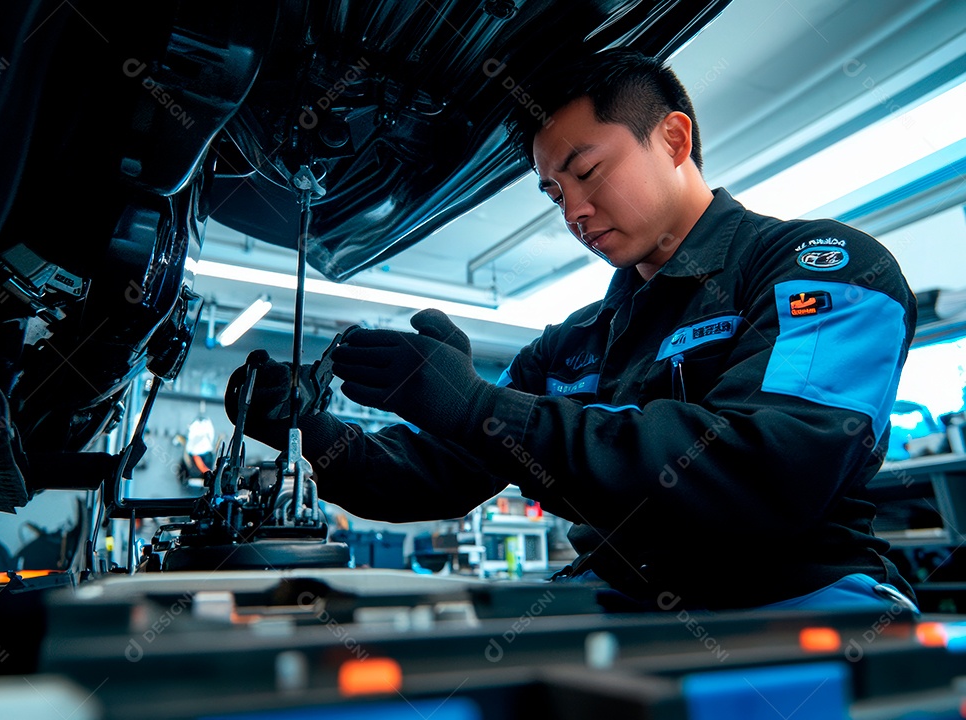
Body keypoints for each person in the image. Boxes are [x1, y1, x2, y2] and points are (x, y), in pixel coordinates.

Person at [226, 48, 919, 614]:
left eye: (587, 172)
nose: (575, 211)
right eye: (556, 194)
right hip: (628, 601)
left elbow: (763, 477)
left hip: (800, 601)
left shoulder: (824, 271)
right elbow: (428, 478)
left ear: (673, 139)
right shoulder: (574, 344)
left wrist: (483, 407)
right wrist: (307, 429)